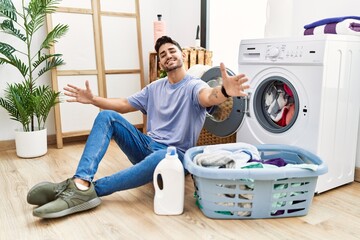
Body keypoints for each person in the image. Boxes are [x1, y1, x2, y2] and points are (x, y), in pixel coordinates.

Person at [26, 36, 250, 218]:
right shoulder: (154, 88)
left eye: (172, 51)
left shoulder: (194, 86)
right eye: (163, 55)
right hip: (145, 146)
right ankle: (80, 180)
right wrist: (94, 99)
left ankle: (85, 190)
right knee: (107, 117)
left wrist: (224, 91)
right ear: (161, 64)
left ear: (182, 55)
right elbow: (123, 105)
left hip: (174, 157)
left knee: (162, 155)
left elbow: (209, 97)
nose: (168, 56)